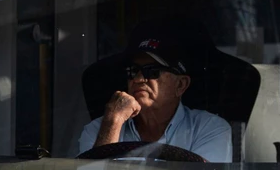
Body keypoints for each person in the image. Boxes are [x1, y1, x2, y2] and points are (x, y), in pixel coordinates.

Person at [78, 32, 232, 162]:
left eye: (152, 71)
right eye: (133, 71)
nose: (138, 79)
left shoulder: (209, 129)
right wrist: (113, 122)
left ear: (180, 85)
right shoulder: (99, 129)